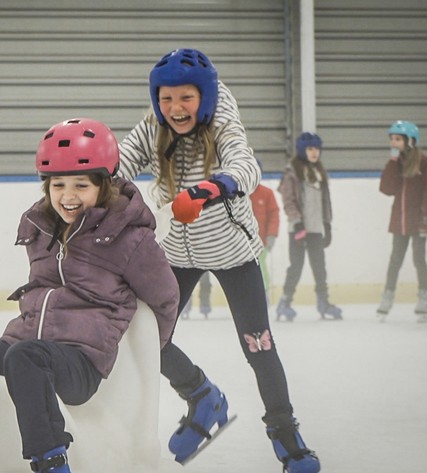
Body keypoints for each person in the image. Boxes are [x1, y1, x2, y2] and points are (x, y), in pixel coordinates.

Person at [0, 118, 179, 473]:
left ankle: (52, 463)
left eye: (80, 185)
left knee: (27, 357)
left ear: (104, 184)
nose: (67, 196)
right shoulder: (41, 228)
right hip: (22, 351)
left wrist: (146, 357)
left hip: (79, 363)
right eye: (57, 185)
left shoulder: (129, 239)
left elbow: (165, 299)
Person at [118, 48, 320, 472]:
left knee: (259, 347)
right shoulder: (155, 124)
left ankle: (286, 435)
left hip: (234, 253)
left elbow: (246, 165)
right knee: (146, 339)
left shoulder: (224, 119)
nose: (175, 108)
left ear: (205, 97)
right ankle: (201, 396)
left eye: (186, 98)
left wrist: (210, 190)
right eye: (167, 98)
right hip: (179, 250)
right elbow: (122, 159)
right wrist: (84, 176)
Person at [376, 121, 427, 323]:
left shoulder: (425, 163)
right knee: (395, 261)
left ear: (410, 141)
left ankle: (424, 298)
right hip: (399, 221)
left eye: (397, 139)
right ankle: (387, 297)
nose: (393, 143)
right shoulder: (396, 163)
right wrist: (392, 163)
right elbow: (386, 189)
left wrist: (426, 220)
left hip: (418, 221)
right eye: (392, 139)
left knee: (419, 260)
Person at [276, 132, 341, 321]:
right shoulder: (292, 172)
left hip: (315, 229)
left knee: (320, 267)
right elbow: (288, 200)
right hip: (298, 229)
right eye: (310, 149)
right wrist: (297, 224)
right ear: (302, 150)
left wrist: (327, 224)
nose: (314, 153)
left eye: (317, 149)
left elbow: (325, 201)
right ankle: (285, 302)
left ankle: (323, 302)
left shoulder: (320, 172)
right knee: (296, 266)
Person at [250, 162, 280, 300]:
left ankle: (264, 293)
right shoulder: (239, 193)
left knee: (261, 267)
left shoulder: (266, 193)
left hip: (261, 241)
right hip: (243, 243)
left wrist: (272, 234)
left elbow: (274, 213)